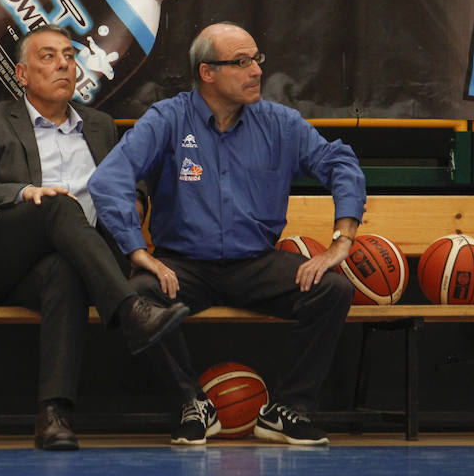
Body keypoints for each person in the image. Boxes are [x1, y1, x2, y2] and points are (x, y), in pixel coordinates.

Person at [89, 22, 366, 446]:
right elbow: (110, 179)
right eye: (241, 62)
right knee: (138, 296)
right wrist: (136, 252)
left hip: (256, 262)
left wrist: (341, 242)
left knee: (332, 290)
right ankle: (190, 402)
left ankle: (288, 409)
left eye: (257, 59)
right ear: (207, 73)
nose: (256, 71)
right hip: (183, 265)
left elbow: (340, 164)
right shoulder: (168, 118)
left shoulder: (280, 123)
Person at [0, 24, 190, 451]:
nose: (63, 65)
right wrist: (23, 192)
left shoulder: (100, 126)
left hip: (70, 261)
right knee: (56, 203)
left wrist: (137, 202)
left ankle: (53, 414)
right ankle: (130, 308)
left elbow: (132, 178)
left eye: (69, 56)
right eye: (48, 57)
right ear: (21, 73)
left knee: (63, 271)